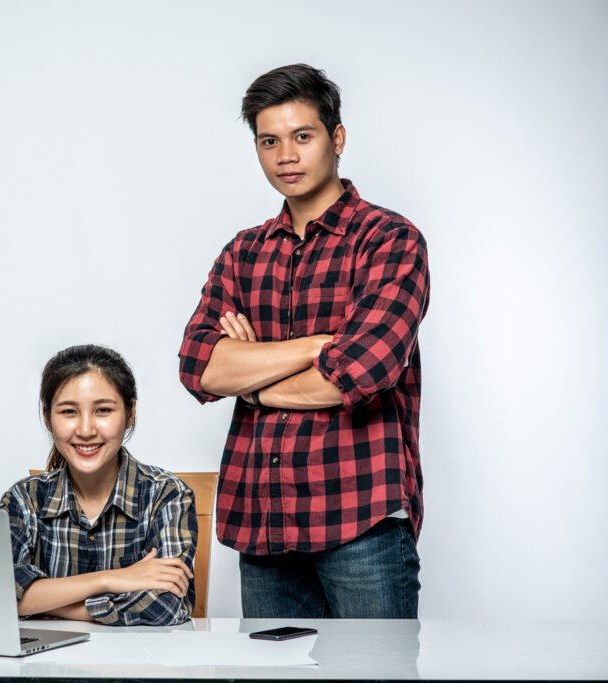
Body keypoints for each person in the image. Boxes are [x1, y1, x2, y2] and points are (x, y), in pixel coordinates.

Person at [178, 64, 429, 619]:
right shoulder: (243, 253)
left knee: (376, 680)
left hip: (359, 519)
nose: (285, 155)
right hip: (263, 524)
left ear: (336, 139)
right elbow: (201, 366)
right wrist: (318, 344)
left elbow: (362, 370)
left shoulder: (390, 240)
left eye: (302, 136)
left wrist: (256, 385)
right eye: (269, 141)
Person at [0, 344, 196, 626]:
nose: (86, 430)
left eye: (103, 410)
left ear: (130, 413)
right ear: (47, 417)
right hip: (46, 667)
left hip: (142, 664)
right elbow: (0, 592)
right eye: (69, 412)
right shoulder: (24, 498)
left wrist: (44, 602)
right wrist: (111, 579)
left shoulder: (167, 495)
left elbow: (165, 604)